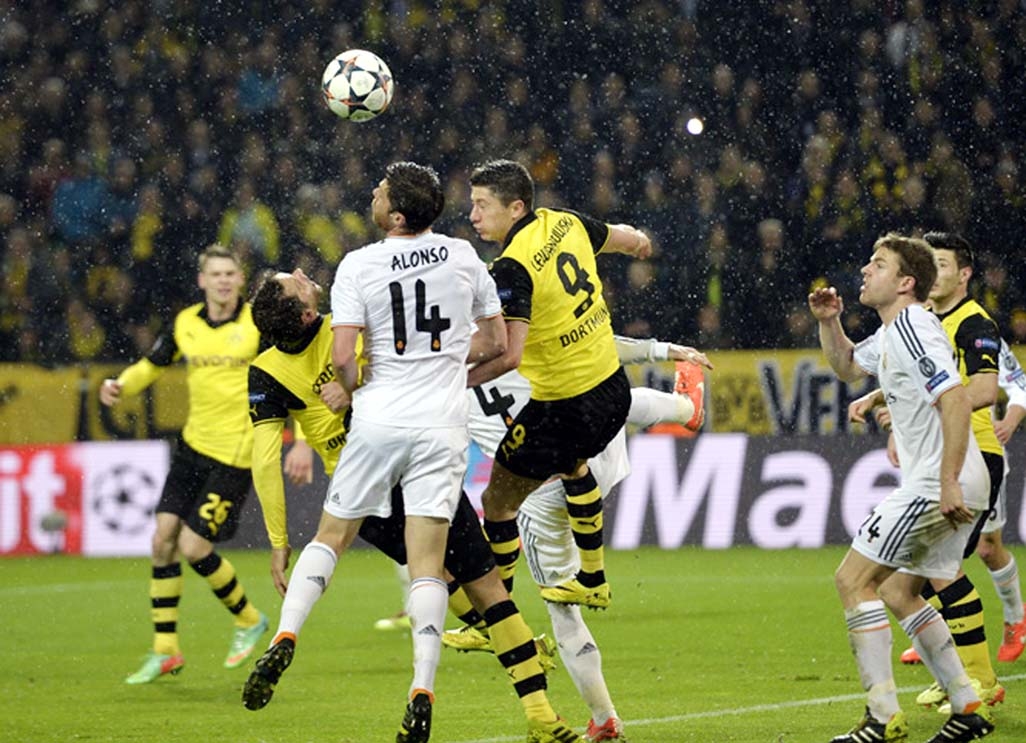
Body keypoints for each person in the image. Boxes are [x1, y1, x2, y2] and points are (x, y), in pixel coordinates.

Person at [241, 163, 577, 743]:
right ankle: (494, 699)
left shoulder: (341, 290)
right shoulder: (461, 256)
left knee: (336, 543)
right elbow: (498, 347)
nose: (300, 271)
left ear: (395, 214)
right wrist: (449, 372)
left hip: (372, 453)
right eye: (292, 280)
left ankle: (286, 636)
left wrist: (277, 538)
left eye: (379, 190)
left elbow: (279, 439)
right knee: (468, 580)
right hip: (435, 435)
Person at [445, 336, 711, 742]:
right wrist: (658, 350)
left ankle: (603, 717)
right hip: (590, 447)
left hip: (535, 486)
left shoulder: (442, 378)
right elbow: (594, 338)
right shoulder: (515, 338)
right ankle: (685, 407)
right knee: (606, 392)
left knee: (563, 611)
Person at [466, 159, 695, 611]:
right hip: (612, 389)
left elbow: (509, 354)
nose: (473, 215)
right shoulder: (564, 222)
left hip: (565, 405)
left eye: (481, 205)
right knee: (572, 467)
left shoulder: (510, 267)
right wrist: (642, 245)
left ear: (515, 208)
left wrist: (455, 378)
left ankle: (495, 612)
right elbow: (626, 239)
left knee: (497, 502)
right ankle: (593, 578)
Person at [808, 232, 994, 743]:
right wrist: (829, 323)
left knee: (852, 580)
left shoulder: (913, 326)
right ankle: (968, 706)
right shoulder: (895, 332)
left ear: (906, 282)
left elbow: (955, 400)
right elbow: (847, 366)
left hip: (939, 479)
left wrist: (948, 480)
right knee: (894, 588)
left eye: (879, 264)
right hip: (944, 477)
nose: (866, 270)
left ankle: (882, 716)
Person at [99, 244, 268, 684]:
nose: (224, 281)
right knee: (161, 541)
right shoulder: (186, 323)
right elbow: (152, 365)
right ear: (203, 281)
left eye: (231, 273)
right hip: (193, 446)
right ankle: (165, 650)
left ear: (240, 279)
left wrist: (301, 439)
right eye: (216, 274)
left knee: (193, 547)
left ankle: (250, 619)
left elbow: (289, 373)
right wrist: (120, 384)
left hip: (235, 454)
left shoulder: (256, 324)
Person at [892, 232, 1005, 711]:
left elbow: (984, 389)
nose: (934, 273)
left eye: (943, 264)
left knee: (942, 570)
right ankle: (954, 675)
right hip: (936, 454)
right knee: (918, 572)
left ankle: (979, 679)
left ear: (963, 274)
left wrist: (941, 403)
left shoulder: (973, 321)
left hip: (974, 453)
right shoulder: (924, 323)